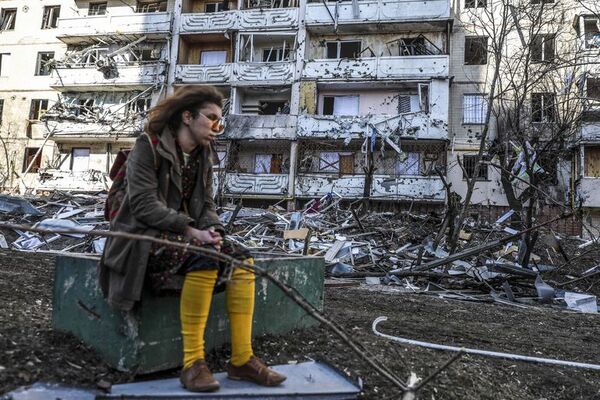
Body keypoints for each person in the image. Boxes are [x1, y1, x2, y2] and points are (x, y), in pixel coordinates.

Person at [99, 85, 286, 392]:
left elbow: (207, 205)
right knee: (204, 257)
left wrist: (213, 230)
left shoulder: (202, 155)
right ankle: (193, 364)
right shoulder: (149, 146)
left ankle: (242, 360)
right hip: (140, 238)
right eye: (211, 118)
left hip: (184, 235)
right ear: (187, 116)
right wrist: (190, 231)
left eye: (219, 121)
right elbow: (144, 205)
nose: (217, 127)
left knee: (242, 260)